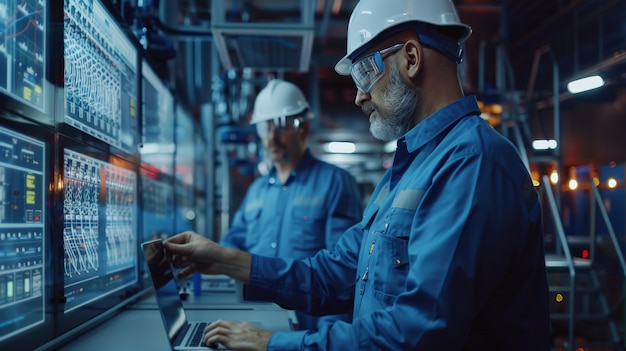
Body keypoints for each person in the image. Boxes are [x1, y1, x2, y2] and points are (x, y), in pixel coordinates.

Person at [164, 0, 551, 349]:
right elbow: (331, 276)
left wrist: (274, 344)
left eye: (365, 72)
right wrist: (223, 259)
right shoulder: (407, 169)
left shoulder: (472, 163)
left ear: (412, 58)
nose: (359, 95)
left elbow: (419, 331)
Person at [219, 78, 363, 331]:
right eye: (265, 127)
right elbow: (233, 242)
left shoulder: (335, 183)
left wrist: (326, 343)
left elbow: (342, 276)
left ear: (303, 129)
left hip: (308, 332)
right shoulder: (257, 191)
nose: (272, 136)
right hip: (257, 325)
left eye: (282, 125)